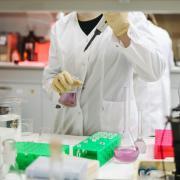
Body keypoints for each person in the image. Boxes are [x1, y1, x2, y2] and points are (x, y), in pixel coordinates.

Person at [43, 12, 166, 136]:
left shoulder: (130, 17)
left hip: (113, 138)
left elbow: (155, 70)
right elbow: (49, 77)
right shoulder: (60, 28)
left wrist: (124, 33)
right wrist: (56, 85)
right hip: (68, 133)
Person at [133, 14, 174, 136]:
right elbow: (169, 65)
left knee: (144, 148)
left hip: (142, 112)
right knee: (162, 150)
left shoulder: (134, 33)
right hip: (163, 112)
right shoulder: (164, 34)